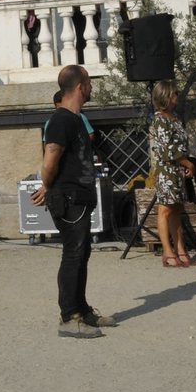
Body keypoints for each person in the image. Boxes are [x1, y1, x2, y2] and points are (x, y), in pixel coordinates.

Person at [31, 65, 113, 337]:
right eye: (89, 83)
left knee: (82, 253)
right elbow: (50, 159)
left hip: (79, 196)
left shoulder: (76, 120)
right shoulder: (61, 120)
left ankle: (83, 310)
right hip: (68, 199)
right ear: (80, 86)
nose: (91, 88)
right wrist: (47, 185)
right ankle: (69, 317)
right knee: (73, 253)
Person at [147, 80, 196, 268]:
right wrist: (189, 164)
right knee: (165, 209)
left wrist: (185, 165)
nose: (177, 96)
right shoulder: (160, 119)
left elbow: (180, 145)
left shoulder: (174, 117)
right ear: (166, 97)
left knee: (177, 208)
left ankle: (181, 249)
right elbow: (168, 150)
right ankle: (167, 252)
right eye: (175, 93)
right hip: (166, 170)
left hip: (177, 170)